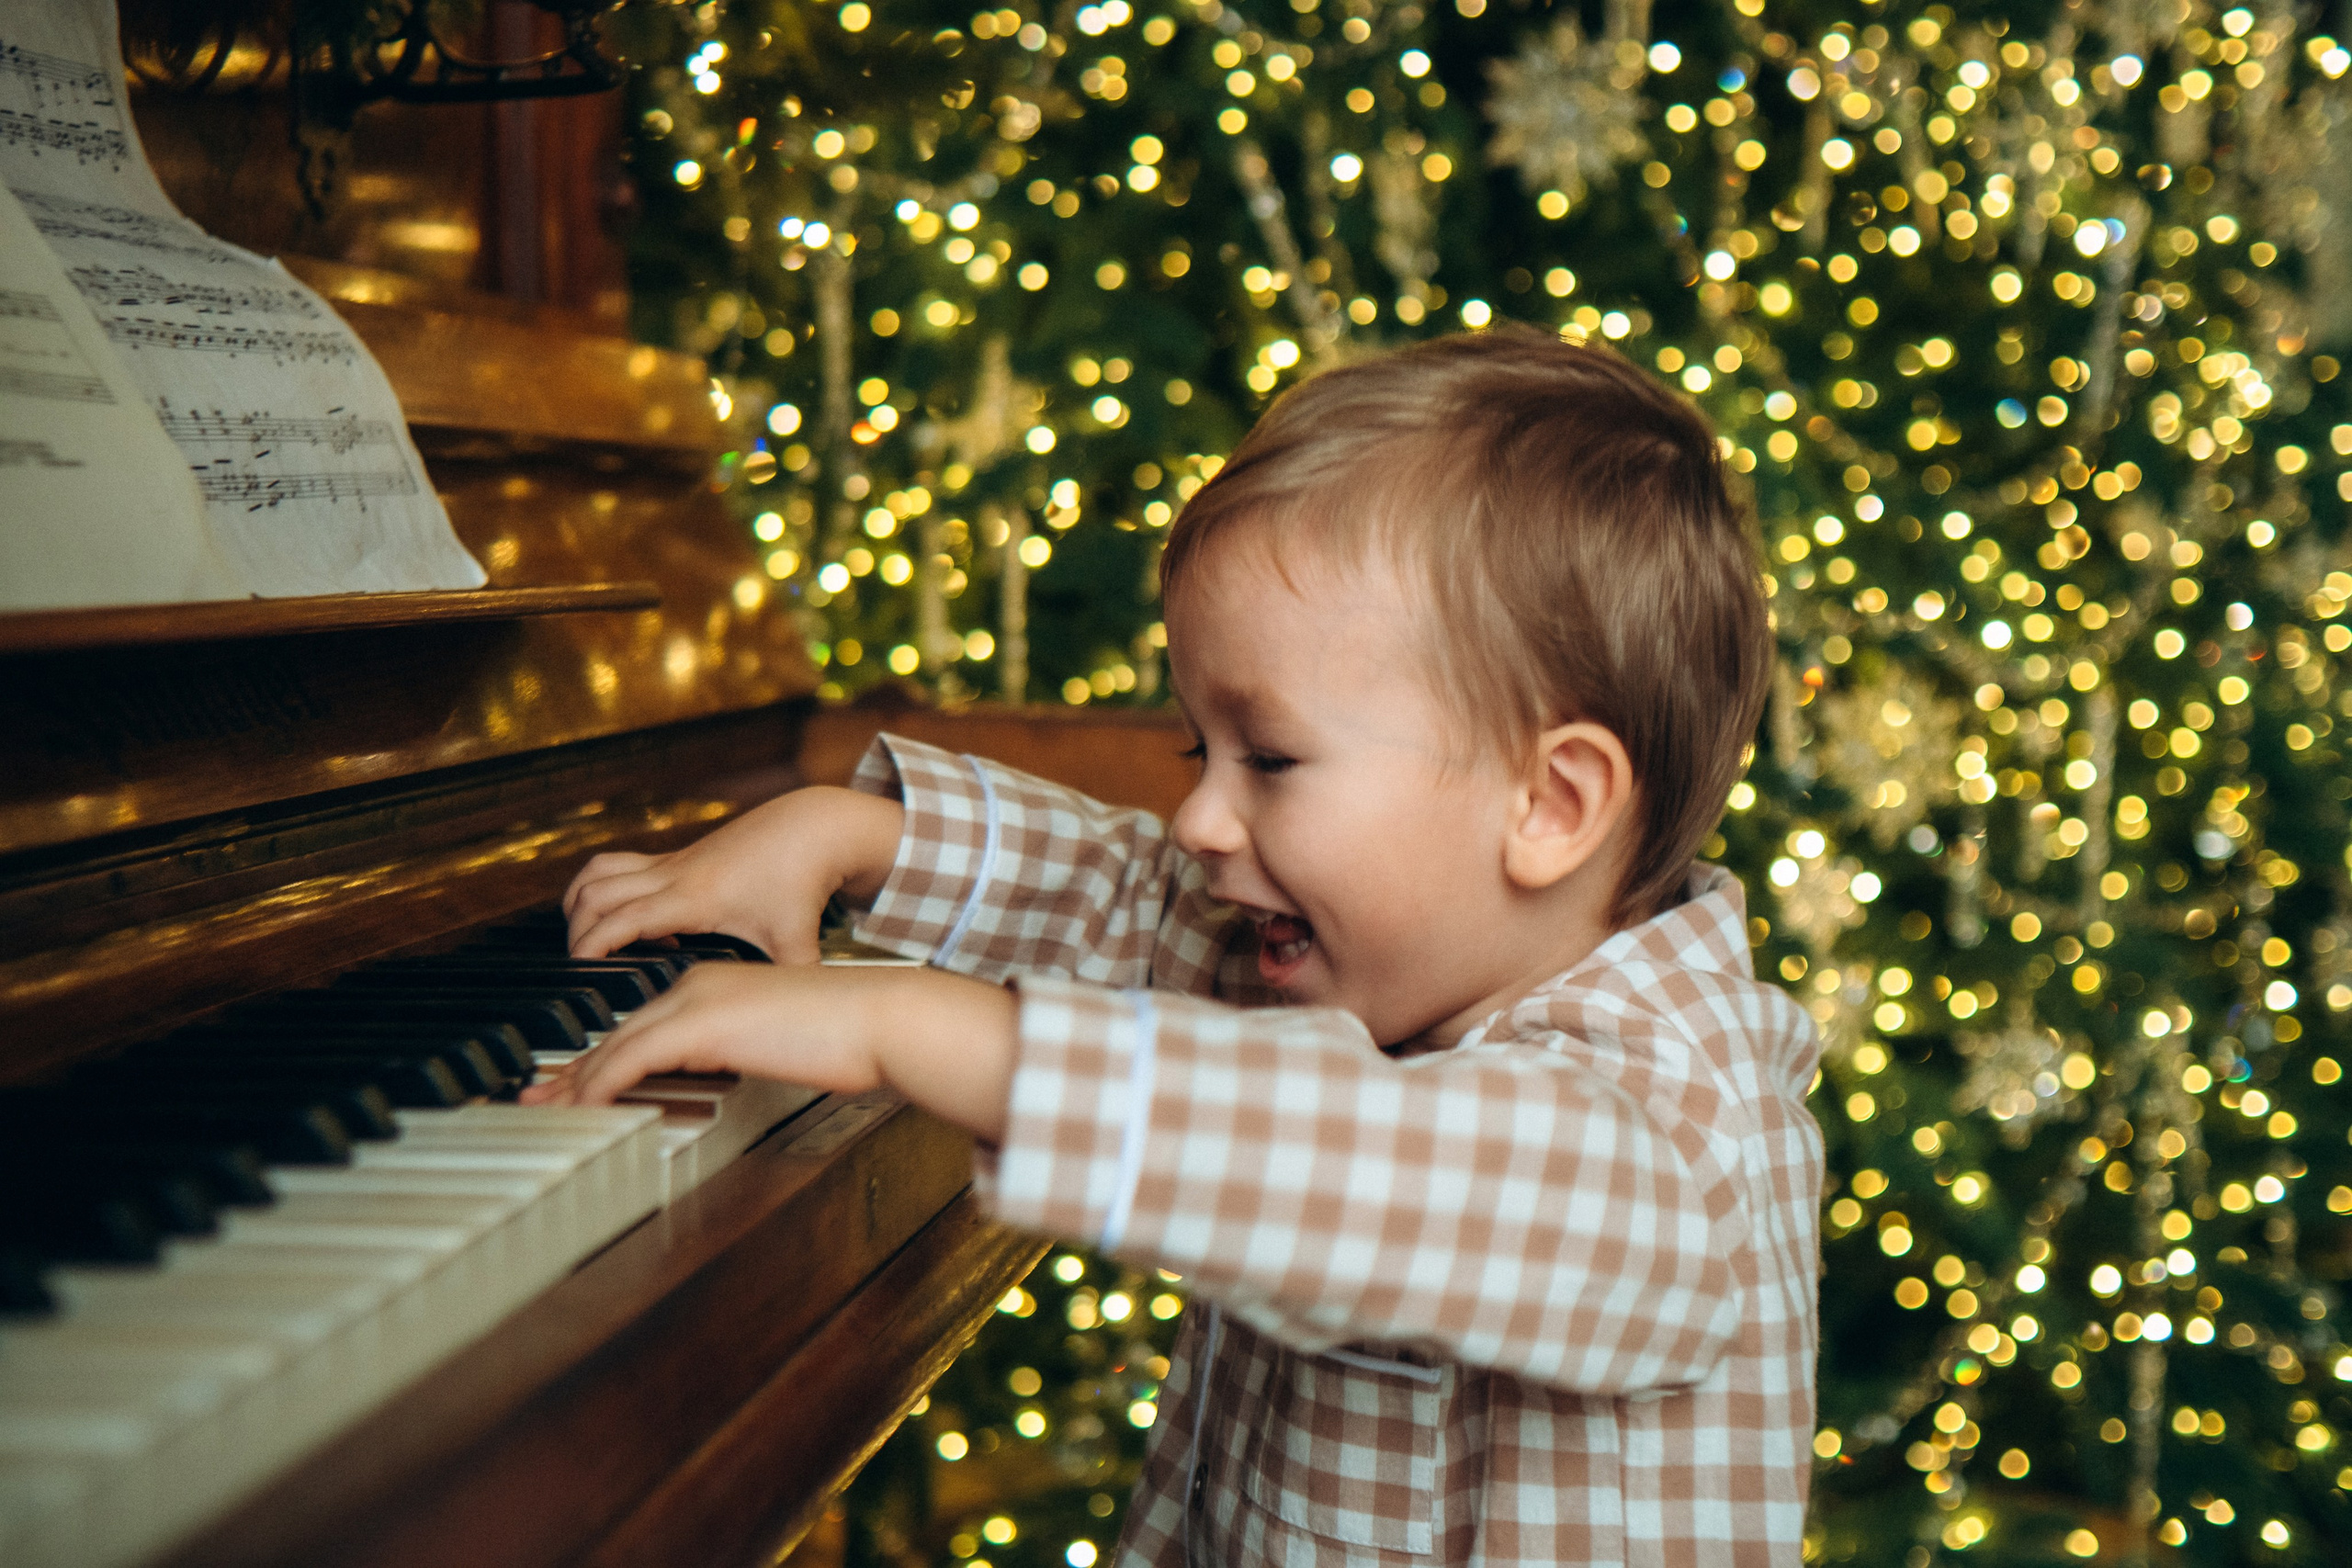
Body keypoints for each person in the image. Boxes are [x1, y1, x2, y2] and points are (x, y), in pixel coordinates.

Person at [532, 325, 1822, 1566]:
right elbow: (1133, 900)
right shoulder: (1363, 964)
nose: (1200, 818)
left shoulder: (1673, 1139)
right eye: (1201, 749)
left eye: (1272, 758)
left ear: (1548, 804)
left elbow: (1363, 1158)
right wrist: (854, 835)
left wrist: (900, 1025)